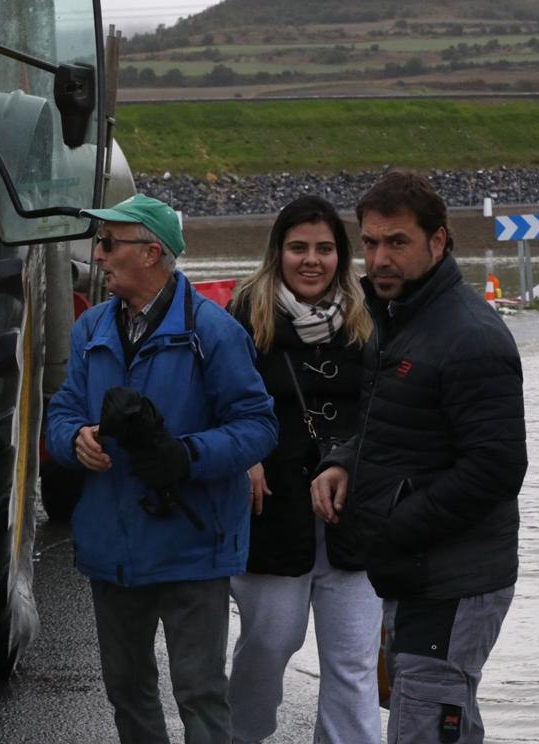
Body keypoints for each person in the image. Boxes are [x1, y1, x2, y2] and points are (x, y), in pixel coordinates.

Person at [46, 193, 279, 744]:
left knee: (199, 693)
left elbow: (258, 426)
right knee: (126, 691)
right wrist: (75, 438)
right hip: (112, 547)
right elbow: (61, 411)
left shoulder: (214, 332)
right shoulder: (92, 328)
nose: (97, 255)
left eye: (107, 243)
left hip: (191, 548)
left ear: (151, 252)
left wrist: (186, 456)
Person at [311, 170, 527, 744]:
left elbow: (497, 469)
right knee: (439, 722)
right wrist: (344, 461)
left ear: (438, 242)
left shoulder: (469, 336)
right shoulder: (398, 320)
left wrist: (392, 523)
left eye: (398, 242)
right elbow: (392, 426)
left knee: (423, 728)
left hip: (453, 580)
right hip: (414, 571)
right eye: (373, 241)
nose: (380, 258)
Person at [225, 195, 380, 743]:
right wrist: (241, 456)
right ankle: (244, 734)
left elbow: (389, 409)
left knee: (353, 663)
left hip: (352, 517)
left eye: (324, 248)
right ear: (278, 252)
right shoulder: (244, 313)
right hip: (272, 514)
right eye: (298, 248)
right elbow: (216, 400)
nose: (311, 260)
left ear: (341, 254)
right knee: (269, 645)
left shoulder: (372, 313)